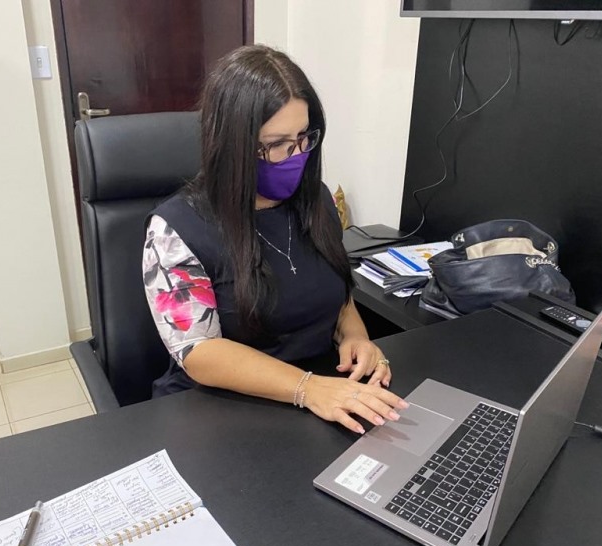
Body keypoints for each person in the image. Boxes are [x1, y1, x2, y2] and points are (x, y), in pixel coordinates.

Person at [142, 45, 407, 434]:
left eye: (303, 137)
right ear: (232, 144)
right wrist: (307, 388)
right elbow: (199, 351)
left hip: (316, 400)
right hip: (217, 411)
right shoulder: (175, 228)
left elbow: (336, 291)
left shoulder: (315, 201)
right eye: (277, 143)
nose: (296, 154)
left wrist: (355, 336)